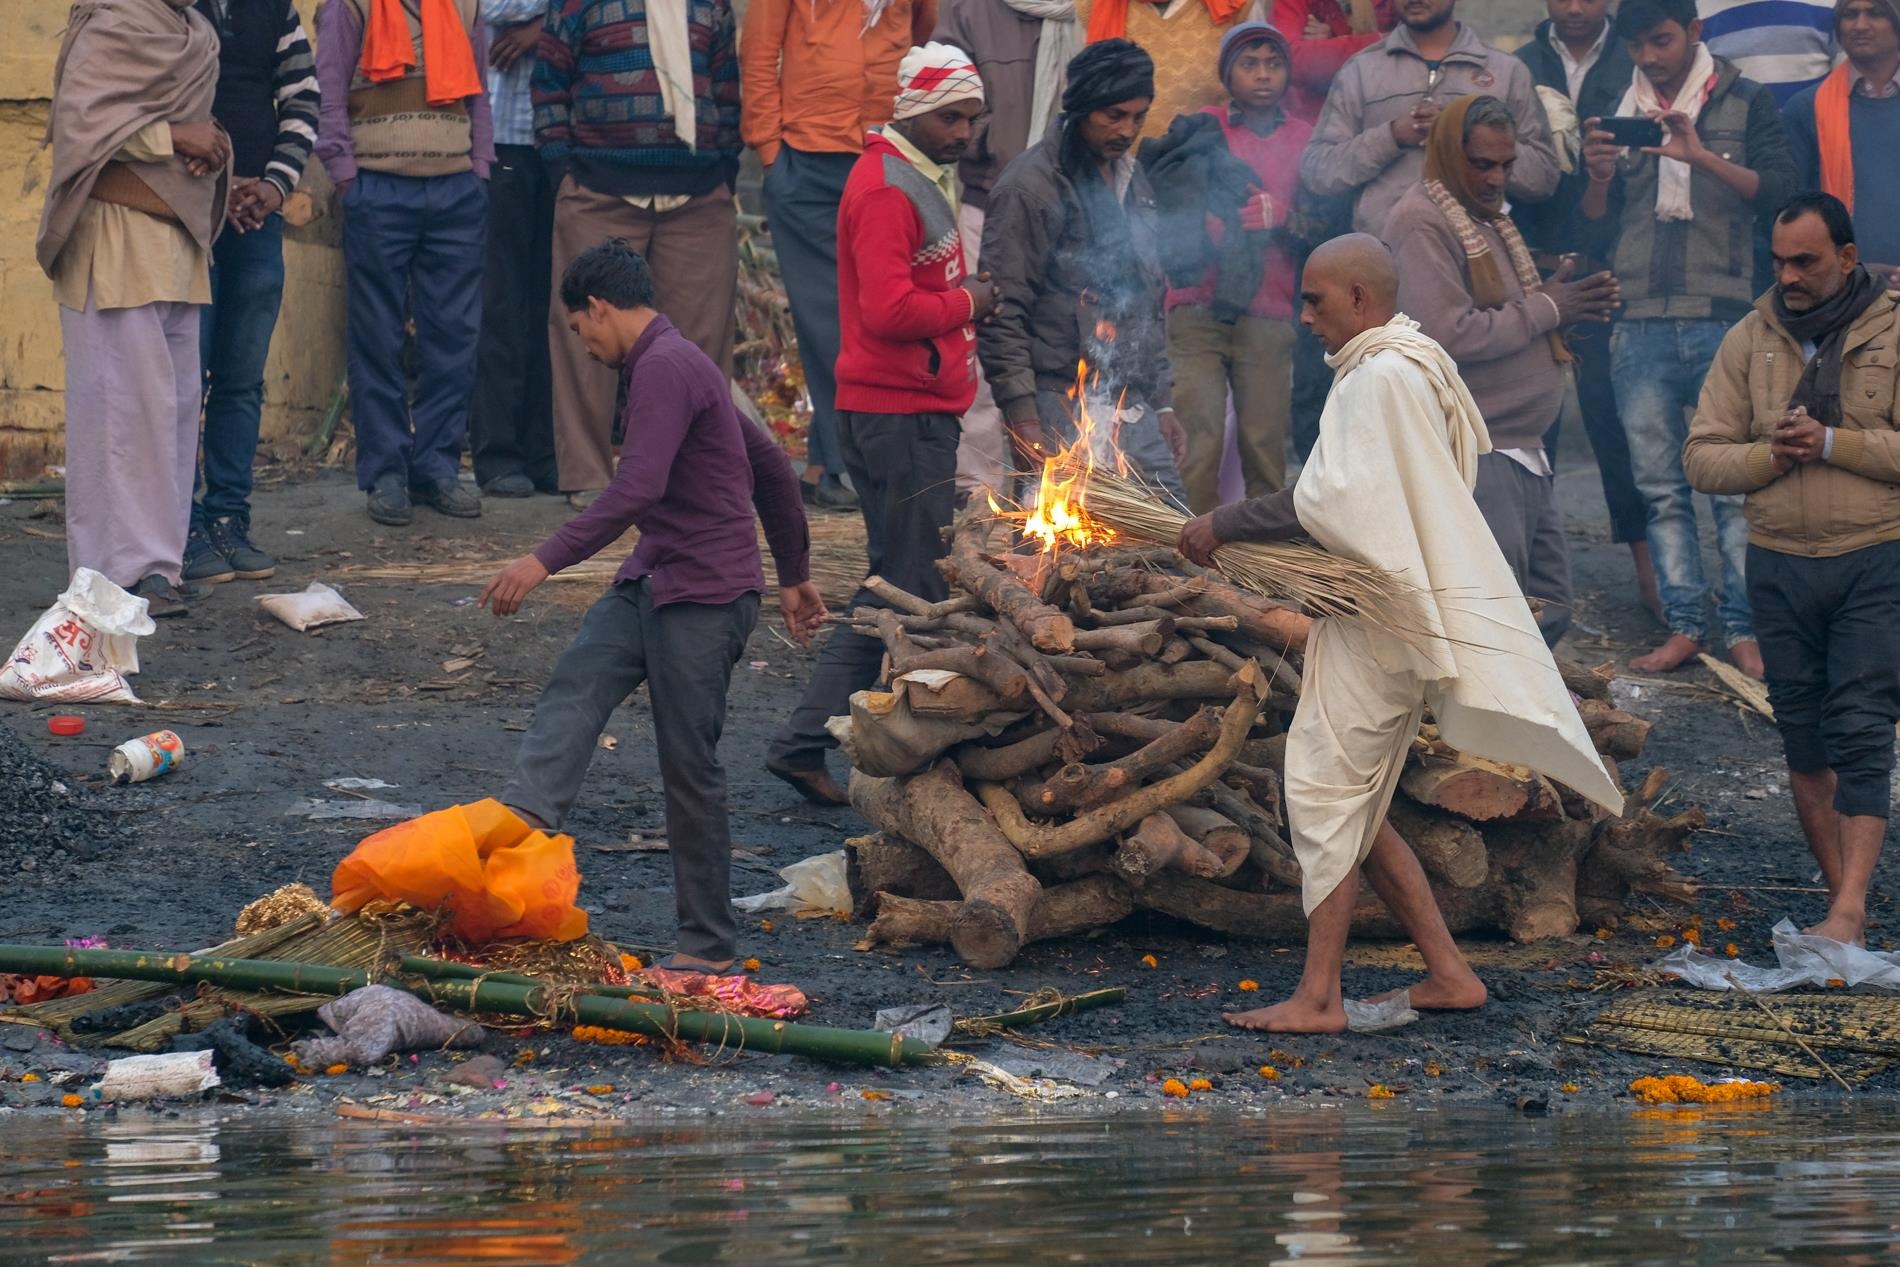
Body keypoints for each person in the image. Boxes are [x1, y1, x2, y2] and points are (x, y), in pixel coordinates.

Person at [1176, 235, 1621, 1032]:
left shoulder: (1377, 378)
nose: (1304, 315)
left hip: (1381, 621)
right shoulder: (1415, 364)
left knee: (1322, 788)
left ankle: (1319, 996)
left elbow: (1329, 505)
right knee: (1358, 800)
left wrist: (1225, 522)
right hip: (1390, 614)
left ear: (1358, 297)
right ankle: (1449, 973)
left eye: (1315, 300)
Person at [481, 241, 824, 974]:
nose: (586, 345)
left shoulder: (667, 366)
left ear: (598, 308)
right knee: (578, 679)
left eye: (581, 330)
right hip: (653, 577)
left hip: (704, 593)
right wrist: (794, 573)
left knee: (688, 766)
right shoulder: (679, 360)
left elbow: (636, 487)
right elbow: (769, 466)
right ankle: (522, 821)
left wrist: (541, 559)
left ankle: (708, 946)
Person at [765, 45, 993, 806]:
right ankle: (816, 740)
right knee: (905, 589)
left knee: (899, 578)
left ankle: (859, 740)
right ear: (913, 113)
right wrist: (972, 304)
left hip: (908, 409)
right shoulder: (887, 187)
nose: (965, 130)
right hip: (900, 414)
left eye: (971, 116)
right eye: (951, 116)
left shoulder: (918, 172)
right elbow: (889, 311)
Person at [1683, 195, 1900, 946]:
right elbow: (1701, 455)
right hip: (1777, 565)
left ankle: (1846, 909)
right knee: (1803, 734)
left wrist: (1833, 443)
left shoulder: (1895, 328)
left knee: (1863, 727)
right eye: (1778, 261)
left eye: (1805, 260)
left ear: (1846, 256)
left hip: (1876, 554)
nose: (1789, 275)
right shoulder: (1751, 337)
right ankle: (1845, 905)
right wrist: (1768, 456)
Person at [1580, 0, 1795, 676]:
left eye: (1662, 41)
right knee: (1660, 487)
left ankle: (1743, 628)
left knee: (1734, 485)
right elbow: (1590, 229)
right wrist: (1598, 176)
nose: (1649, 58)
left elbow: (1781, 194)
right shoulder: (1615, 103)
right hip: (1637, 317)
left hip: (1726, 315)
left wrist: (1699, 156)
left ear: (1695, 33)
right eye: (1639, 46)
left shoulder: (1746, 98)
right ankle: (1686, 626)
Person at [1387, 95, 1620, 646]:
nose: (1497, 178)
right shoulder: (1421, 222)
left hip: (1523, 446)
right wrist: (1551, 306)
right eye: (1482, 163)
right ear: (1448, 153)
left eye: (1507, 165)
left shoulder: (1485, 219)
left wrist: (1563, 295)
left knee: (1548, 606)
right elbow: (1448, 334)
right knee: (1499, 621)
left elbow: (1515, 314)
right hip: (1478, 450)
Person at [39, 0, 231, 619]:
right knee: (121, 411)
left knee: (171, 411)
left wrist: (212, 145)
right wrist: (176, 136)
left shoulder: (196, 33)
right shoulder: (112, 23)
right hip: (114, 240)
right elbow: (81, 124)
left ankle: (159, 566)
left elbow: (192, 124)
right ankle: (116, 573)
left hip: (177, 243)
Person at [535, 0, 743, 509]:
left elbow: (728, 89)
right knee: (583, 333)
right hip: (599, 190)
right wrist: (563, 172)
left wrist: (722, 172)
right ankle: (588, 476)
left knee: (698, 342)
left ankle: (693, 474)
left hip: (697, 196)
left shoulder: (711, 5)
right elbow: (548, 85)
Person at [743, 0, 939, 512]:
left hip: (880, 152)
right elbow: (760, 54)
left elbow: (920, 31)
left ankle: (828, 463)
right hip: (805, 159)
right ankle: (843, 464)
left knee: (877, 312)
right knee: (825, 321)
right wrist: (769, 152)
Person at [979, 39, 1188, 503]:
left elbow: (1148, 302)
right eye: (1113, 115)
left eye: (1138, 116)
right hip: (1055, 398)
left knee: (1171, 543)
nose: (1127, 130)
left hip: (1129, 399)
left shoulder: (1135, 180)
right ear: (1080, 109)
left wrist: (1163, 403)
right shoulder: (1029, 187)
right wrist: (1022, 417)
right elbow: (1002, 310)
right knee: (1052, 555)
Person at [315, 0, 493, 527]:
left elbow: (480, 95)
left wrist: (479, 168)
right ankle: (386, 473)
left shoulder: (469, 5)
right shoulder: (350, 6)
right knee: (376, 338)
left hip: (457, 190)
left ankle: (437, 467)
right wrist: (346, 174)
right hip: (377, 188)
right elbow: (329, 94)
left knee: (455, 338)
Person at [1515, 0, 1660, 621]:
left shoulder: (1639, 63)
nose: (1576, 7)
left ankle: (1653, 574)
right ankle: (1522, 573)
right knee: (1525, 430)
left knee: (1615, 424)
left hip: (1611, 270)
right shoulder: (1517, 67)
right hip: (1532, 266)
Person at [1145, 22, 1312, 513]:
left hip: (1269, 307)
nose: (1263, 75)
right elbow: (1164, 197)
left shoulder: (1306, 139)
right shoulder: (1200, 129)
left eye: (1273, 64)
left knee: (1263, 445)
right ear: (1226, 74)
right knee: (1198, 441)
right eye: (1249, 64)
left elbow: (1329, 222)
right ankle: (1186, 555)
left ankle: (1263, 569)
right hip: (1195, 304)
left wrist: (1281, 217)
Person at [182, 0, 319, 588]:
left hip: (257, 219)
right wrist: (218, 183)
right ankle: (180, 527)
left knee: (241, 377)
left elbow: (304, 101)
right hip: (187, 216)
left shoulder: (275, 10)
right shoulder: (173, 10)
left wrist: (271, 185)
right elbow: (163, 103)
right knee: (182, 381)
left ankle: (229, 519)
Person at [933, 0, 1080, 495]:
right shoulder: (970, 11)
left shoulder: (1091, 9)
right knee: (983, 339)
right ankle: (979, 491)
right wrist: (991, 143)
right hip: (990, 198)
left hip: (1074, 211)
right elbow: (943, 92)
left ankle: (1050, 490)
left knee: (1059, 348)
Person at [1300, 0, 1559, 238]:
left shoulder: (1505, 72)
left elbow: (1542, 177)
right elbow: (1318, 172)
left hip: (1479, 265)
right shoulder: (1361, 70)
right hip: (1384, 262)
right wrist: (1391, 137)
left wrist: (1465, 137)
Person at [468, 0, 557, 500]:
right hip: (501, 138)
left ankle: (545, 451)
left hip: (565, 137)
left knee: (557, 304)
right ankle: (498, 453)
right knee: (501, 302)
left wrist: (546, 26)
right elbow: (493, 6)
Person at [1783, 0, 1900, 289]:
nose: (1860, 25)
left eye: (1875, 13)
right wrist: (1845, 270)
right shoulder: (1806, 108)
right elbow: (1793, 212)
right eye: (1850, 14)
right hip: (1838, 295)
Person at [1276, 0, 1397, 121]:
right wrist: (1378, 42)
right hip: (1313, 123)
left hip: (1382, 113)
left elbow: (1407, 44)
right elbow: (1288, 60)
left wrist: (1331, 41)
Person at [1698, 0, 1838, 104]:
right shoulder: (1696, 12)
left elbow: (1851, 90)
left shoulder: (1831, 6)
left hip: (1812, 138)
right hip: (1731, 139)